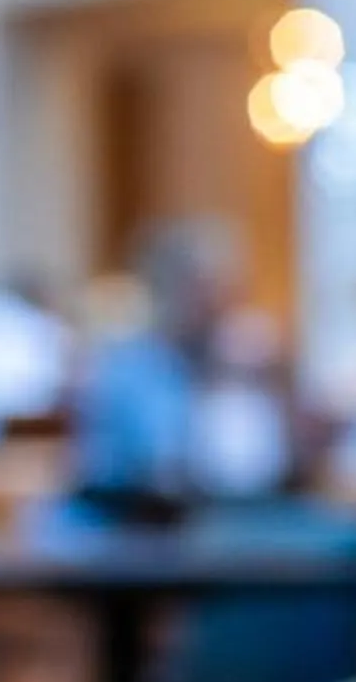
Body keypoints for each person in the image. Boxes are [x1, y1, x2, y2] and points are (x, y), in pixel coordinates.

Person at [72, 217, 296, 509]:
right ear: (171, 290)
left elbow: (272, 466)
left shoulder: (222, 361)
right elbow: (165, 470)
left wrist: (266, 384)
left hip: (198, 521)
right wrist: (219, 383)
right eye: (209, 289)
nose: (224, 303)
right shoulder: (132, 368)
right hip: (128, 525)